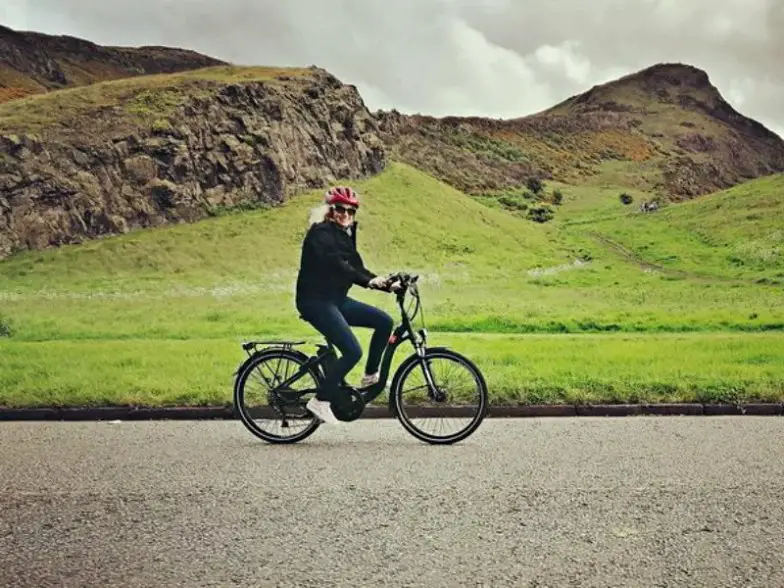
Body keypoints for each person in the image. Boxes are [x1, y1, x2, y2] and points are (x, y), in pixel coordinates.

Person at [295, 185, 395, 425]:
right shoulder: (320, 234)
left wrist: (386, 284)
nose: (346, 215)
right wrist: (368, 281)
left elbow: (356, 267)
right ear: (330, 210)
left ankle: (370, 376)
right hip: (315, 301)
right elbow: (338, 265)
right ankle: (320, 401)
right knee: (352, 351)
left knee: (384, 322)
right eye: (341, 209)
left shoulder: (344, 234)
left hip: (336, 300)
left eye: (351, 211)